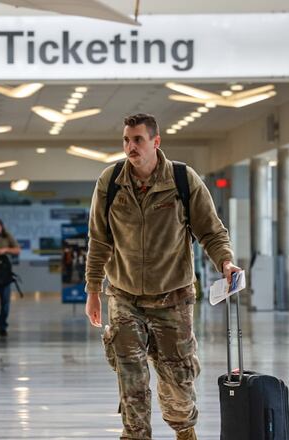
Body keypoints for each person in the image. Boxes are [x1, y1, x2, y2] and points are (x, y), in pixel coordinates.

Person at [85, 113, 240, 440]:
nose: (130, 147)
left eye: (138, 139)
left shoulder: (183, 180)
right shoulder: (111, 181)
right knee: (131, 378)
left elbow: (212, 231)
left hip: (173, 298)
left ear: (156, 141)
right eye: (126, 140)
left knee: (177, 380)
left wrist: (225, 263)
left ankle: (185, 430)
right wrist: (93, 291)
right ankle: (135, 435)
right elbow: (99, 240)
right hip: (124, 297)